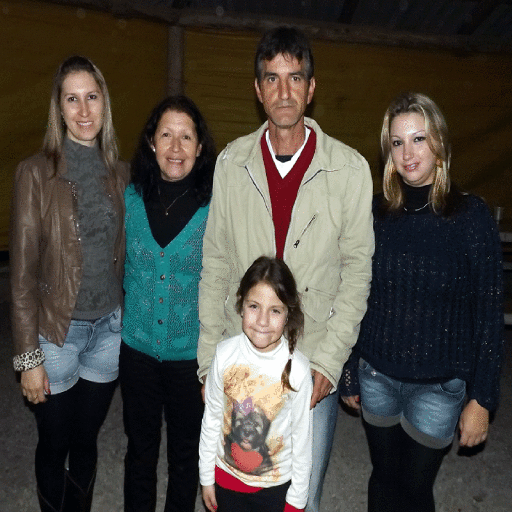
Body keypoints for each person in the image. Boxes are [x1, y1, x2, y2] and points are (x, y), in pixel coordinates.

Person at [197, 26, 374, 512]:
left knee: (302, 497)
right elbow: (215, 262)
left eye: (295, 78)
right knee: (239, 484)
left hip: (310, 355)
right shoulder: (232, 163)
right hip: (243, 356)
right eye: (272, 79)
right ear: (258, 90)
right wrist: (209, 358)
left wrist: (329, 363)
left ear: (311, 88)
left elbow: (357, 272)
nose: (284, 91)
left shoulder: (349, 170)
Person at [340, 92, 504, 512]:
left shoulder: (470, 217)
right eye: (397, 142)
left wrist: (482, 399)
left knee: (414, 492)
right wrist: (349, 368)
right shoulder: (374, 214)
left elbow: (489, 315)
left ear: (439, 143)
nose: (408, 153)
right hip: (377, 374)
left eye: (418, 139)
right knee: (382, 479)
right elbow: (356, 294)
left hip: (439, 386)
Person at [10, 56, 129, 512]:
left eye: (92, 97)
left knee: (85, 438)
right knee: (54, 441)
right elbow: (21, 275)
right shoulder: (35, 173)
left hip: (109, 331)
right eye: (72, 99)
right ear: (58, 109)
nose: (83, 110)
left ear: (105, 103)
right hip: (56, 333)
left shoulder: (121, 173)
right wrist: (28, 358)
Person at [120, 95, 216, 512]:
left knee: (185, 457)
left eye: (186, 137)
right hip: (137, 352)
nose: (176, 148)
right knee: (140, 453)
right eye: (166, 135)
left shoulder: (214, 208)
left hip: (189, 359)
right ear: (151, 142)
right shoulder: (130, 198)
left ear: (200, 147)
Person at [199, 256, 312, 512]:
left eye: (275, 310)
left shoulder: (298, 369)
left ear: (288, 314)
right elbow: (212, 419)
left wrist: (296, 501)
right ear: (241, 305)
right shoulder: (224, 355)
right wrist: (206, 477)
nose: (262, 320)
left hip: (275, 489)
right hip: (226, 480)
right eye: (254, 306)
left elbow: (302, 441)